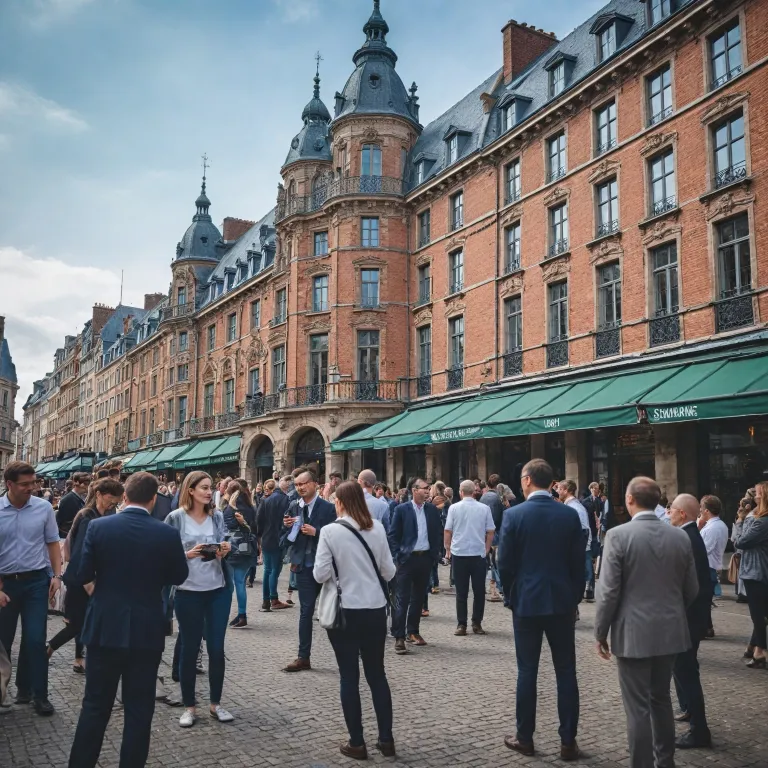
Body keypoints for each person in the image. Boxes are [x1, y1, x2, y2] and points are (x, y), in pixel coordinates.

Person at [66, 472, 189, 768]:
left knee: (95, 706)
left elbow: (80, 574)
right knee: (139, 710)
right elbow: (179, 575)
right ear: (153, 499)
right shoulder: (165, 533)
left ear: (125, 496)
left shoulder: (98, 526)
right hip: (146, 629)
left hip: (104, 626)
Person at [595, 477, 698, 768]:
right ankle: (665, 761)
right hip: (670, 631)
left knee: (638, 707)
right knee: (661, 700)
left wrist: (601, 632)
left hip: (633, 632)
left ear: (629, 500)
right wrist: (672, 612)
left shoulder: (617, 535)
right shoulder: (680, 536)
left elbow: (608, 591)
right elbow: (692, 589)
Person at [497, 460, 584, 760]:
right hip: (560, 601)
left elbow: (504, 564)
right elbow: (578, 565)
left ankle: (525, 737)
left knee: (527, 671)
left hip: (527, 602)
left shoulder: (513, 515)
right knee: (566, 671)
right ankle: (568, 741)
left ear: (527, 480)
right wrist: (572, 598)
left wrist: (511, 594)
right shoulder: (569, 515)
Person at [314, 481, 396, 760]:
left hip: (345, 611)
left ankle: (357, 742)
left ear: (339, 502)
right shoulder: (378, 528)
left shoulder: (330, 531)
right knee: (377, 675)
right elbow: (388, 571)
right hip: (374, 609)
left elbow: (319, 574)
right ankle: (386, 740)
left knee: (349, 676)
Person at [165, 471, 234, 727]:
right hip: (187, 591)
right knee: (190, 647)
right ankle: (189, 707)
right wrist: (187, 554)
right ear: (190, 490)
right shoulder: (175, 518)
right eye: (204, 487)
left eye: (211, 487)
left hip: (217, 590)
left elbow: (226, 540)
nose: (209, 491)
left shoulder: (216, 516)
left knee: (216, 649)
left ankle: (216, 704)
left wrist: (225, 548)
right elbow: (164, 553)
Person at [0, 461, 62, 715]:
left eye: (34, 483)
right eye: (25, 484)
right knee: (3, 642)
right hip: (5, 584)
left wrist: (57, 576)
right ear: (9, 484)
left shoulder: (43, 508)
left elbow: (52, 543)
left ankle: (38, 694)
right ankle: (5, 692)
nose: (32, 488)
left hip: (36, 581)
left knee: (35, 639)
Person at [48, 479, 124, 665]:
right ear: (98, 494)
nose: (114, 502)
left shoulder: (102, 514)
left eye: (117, 499)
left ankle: (80, 659)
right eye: (111, 498)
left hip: (88, 577)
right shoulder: (87, 517)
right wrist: (89, 584)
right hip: (80, 579)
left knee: (83, 623)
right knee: (77, 624)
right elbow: (81, 552)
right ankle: (49, 649)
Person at [667, 494, 712, 749]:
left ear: (682, 513)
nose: (668, 512)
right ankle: (690, 712)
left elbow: (690, 587)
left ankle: (699, 730)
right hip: (691, 617)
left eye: (671, 509)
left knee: (687, 672)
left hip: (687, 619)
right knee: (683, 670)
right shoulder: (690, 535)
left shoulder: (686, 538)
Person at [281, 470, 336, 672]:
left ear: (315, 484)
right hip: (303, 565)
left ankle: (348, 650)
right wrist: (286, 527)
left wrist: (316, 532)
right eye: (297, 484)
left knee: (335, 608)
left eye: (303, 483)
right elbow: (286, 537)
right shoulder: (294, 506)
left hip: (325, 566)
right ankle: (303, 656)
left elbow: (337, 536)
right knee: (305, 611)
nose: (300, 487)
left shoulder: (328, 508)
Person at [387, 478, 442, 654]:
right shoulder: (402, 509)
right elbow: (393, 535)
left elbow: (437, 532)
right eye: (425, 488)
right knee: (402, 598)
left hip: (425, 558)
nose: (428, 491)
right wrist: (398, 556)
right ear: (414, 490)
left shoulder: (432, 510)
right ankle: (399, 636)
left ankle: (413, 631)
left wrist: (435, 555)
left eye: (429, 489)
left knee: (418, 598)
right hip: (406, 559)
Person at [444, 479, 495, 636]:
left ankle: (462, 624)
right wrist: (487, 548)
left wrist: (447, 550)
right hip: (478, 554)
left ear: (460, 492)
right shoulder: (484, 508)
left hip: (459, 553)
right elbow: (491, 530)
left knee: (461, 592)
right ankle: (477, 622)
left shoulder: (453, 508)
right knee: (479, 591)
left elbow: (448, 530)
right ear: (474, 492)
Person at [731, 480, 768, 669]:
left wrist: (740, 520)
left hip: (756, 570)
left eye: (758, 493)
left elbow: (740, 542)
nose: (755, 496)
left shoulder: (761, 521)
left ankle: (761, 651)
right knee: (762, 612)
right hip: (756, 569)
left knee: (757, 614)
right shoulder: (758, 517)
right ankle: (754, 646)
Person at [223, 481, 257, 629]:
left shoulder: (230, 509)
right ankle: (242, 614)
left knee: (231, 584)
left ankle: (226, 614)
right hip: (247, 549)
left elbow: (226, 528)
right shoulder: (250, 506)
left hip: (233, 549)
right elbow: (255, 527)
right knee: (240, 583)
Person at [257, 478, 291, 611]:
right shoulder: (287, 500)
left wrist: (260, 535)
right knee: (274, 570)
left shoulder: (266, 500)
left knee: (267, 570)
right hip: (280, 538)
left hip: (267, 538)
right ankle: (273, 599)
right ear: (286, 488)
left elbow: (259, 519)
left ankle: (266, 601)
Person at [558, 480, 594, 603]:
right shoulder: (571, 506)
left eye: (560, 489)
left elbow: (584, 530)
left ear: (566, 491)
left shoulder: (575, 508)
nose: (557, 491)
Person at [698, 494, 728, 639]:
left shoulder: (713, 528)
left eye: (701, 508)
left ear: (707, 511)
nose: (700, 511)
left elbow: (704, 549)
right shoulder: (716, 525)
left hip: (709, 566)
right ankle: (707, 627)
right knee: (705, 600)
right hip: (712, 565)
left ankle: (705, 628)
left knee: (703, 600)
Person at [56, 472, 91, 537]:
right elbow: (66, 523)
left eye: (88, 484)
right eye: (86, 484)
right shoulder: (68, 499)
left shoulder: (79, 497)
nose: (87, 486)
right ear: (77, 483)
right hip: (68, 536)